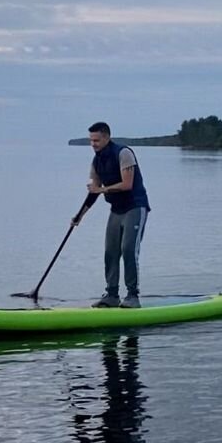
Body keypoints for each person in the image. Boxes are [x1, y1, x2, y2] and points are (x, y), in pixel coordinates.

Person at [72, 122, 150, 308]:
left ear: (107, 137)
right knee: (110, 252)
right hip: (116, 210)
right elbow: (94, 191)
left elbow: (127, 184)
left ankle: (132, 296)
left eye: (97, 140)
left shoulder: (124, 153)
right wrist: (79, 216)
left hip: (135, 207)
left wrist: (101, 189)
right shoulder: (96, 161)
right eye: (91, 140)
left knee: (128, 250)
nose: (93, 144)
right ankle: (112, 295)